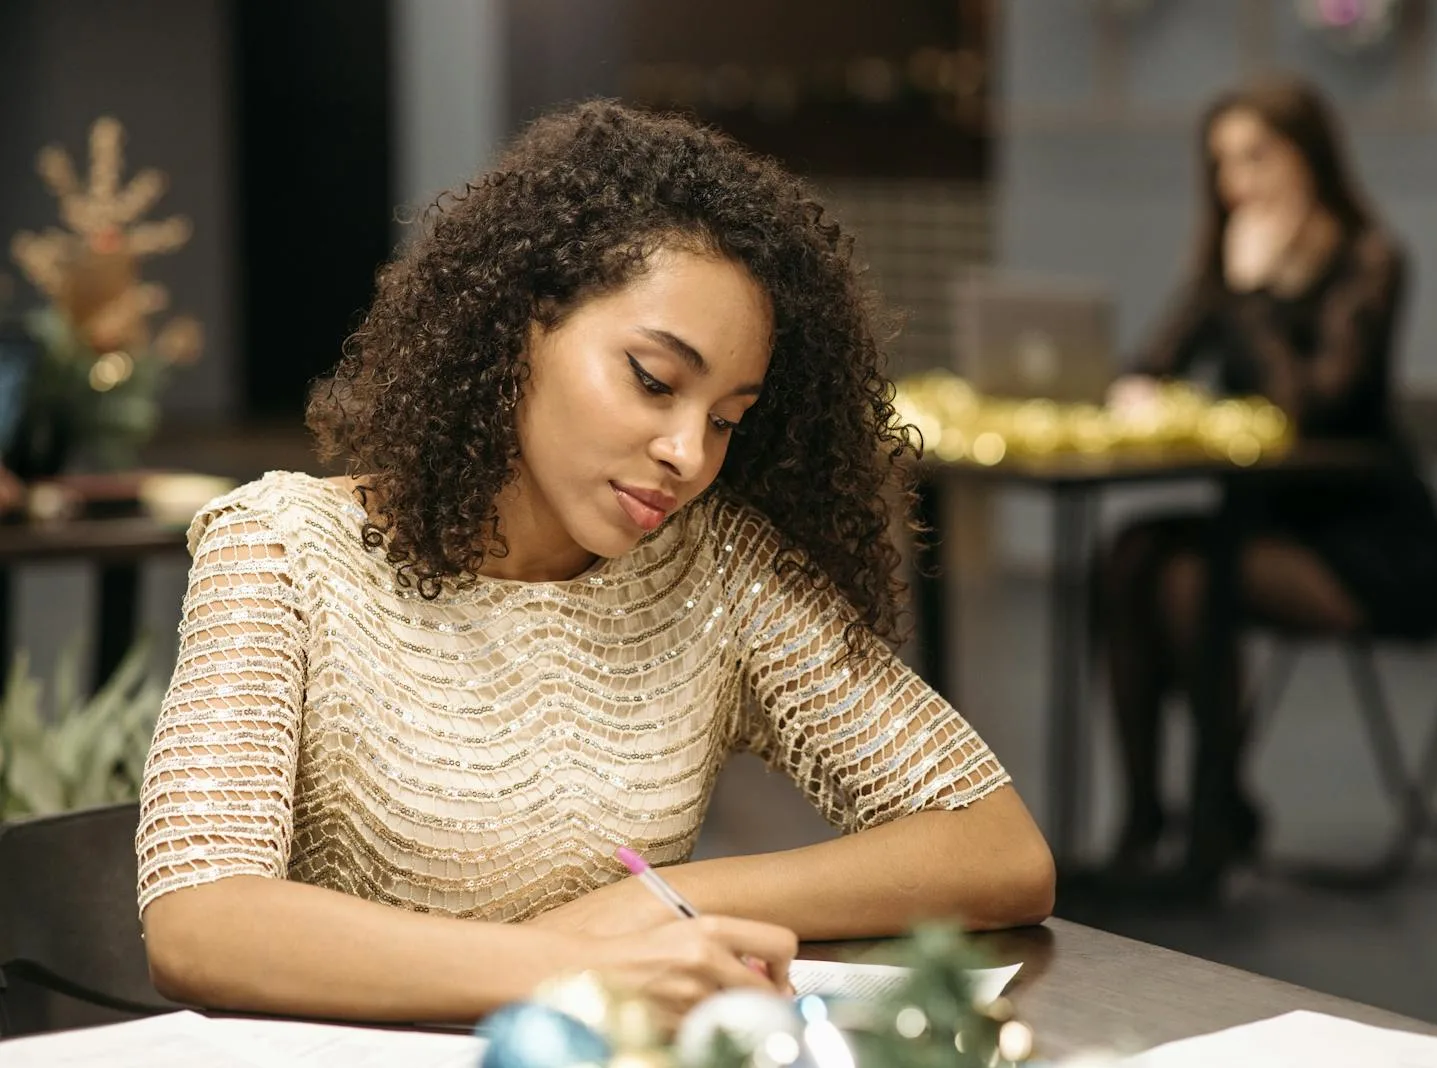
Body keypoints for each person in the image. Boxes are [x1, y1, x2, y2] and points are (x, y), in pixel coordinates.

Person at [135, 101, 1055, 1024]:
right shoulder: (285, 551)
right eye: (654, 381)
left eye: (728, 418)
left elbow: (999, 851)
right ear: (523, 322)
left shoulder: (716, 569)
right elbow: (200, 922)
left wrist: (668, 901)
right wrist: (567, 967)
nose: (689, 453)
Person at [1095, 76, 1437, 901]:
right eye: (1222, 162)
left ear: (1310, 155)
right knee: (1129, 555)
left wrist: (1252, 293)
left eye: (1256, 156)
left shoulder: (1370, 259)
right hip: (1263, 522)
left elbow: (1310, 407)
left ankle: (1212, 826)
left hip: (1369, 541)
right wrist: (1142, 383)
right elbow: (1151, 362)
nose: (1236, 183)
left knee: (1188, 579)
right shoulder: (1230, 261)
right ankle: (1147, 817)